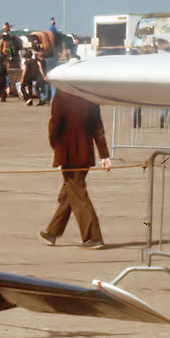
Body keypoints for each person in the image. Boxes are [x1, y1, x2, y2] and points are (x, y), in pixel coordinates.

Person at [40, 90, 112, 248]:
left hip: (67, 152)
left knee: (77, 193)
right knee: (70, 192)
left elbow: (55, 124)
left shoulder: (62, 95)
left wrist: (55, 146)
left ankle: (93, 236)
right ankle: (52, 232)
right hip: (85, 152)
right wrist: (104, 155)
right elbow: (97, 127)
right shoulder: (90, 95)